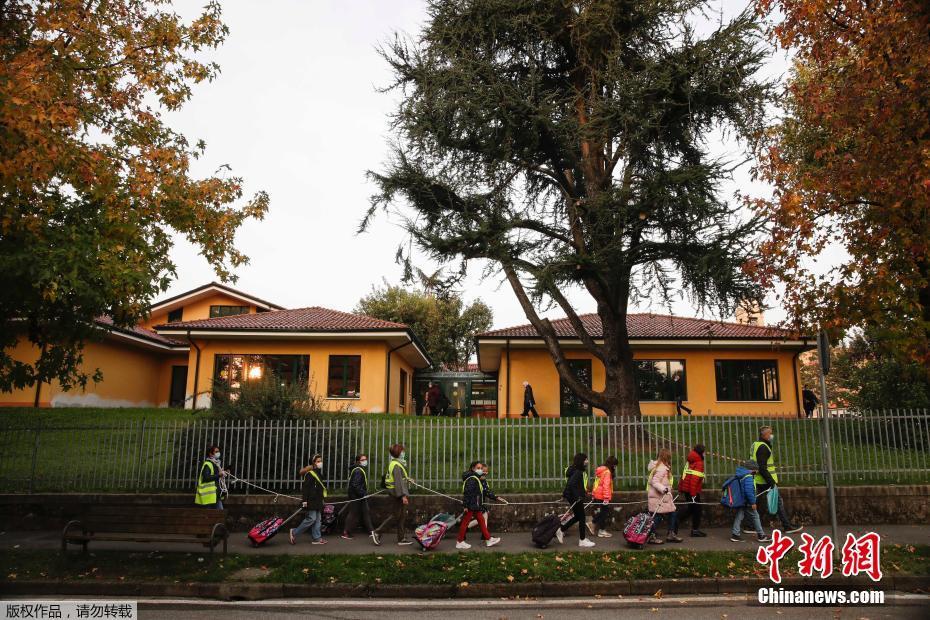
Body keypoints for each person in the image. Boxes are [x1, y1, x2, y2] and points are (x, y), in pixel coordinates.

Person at [751, 426, 803, 533]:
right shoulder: (763, 447)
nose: (771, 436)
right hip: (766, 480)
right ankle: (787, 526)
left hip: (759, 480)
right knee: (778, 502)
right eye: (770, 433)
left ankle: (750, 526)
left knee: (758, 503)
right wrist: (771, 482)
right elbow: (762, 467)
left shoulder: (756, 444)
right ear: (764, 435)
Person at [456, 462, 502, 549]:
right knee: (465, 523)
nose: (481, 470)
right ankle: (459, 541)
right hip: (471, 505)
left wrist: (495, 497)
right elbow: (467, 493)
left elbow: (481, 492)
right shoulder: (472, 479)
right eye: (478, 468)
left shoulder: (476, 478)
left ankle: (488, 539)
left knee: (481, 521)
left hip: (475, 505)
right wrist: (465, 506)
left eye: (481, 468)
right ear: (473, 469)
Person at [555, 453, 595, 547]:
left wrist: (564, 495)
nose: (587, 461)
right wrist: (577, 496)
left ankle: (561, 530)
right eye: (586, 459)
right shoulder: (578, 472)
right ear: (581, 461)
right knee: (582, 517)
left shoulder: (574, 469)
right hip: (575, 498)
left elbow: (570, 483)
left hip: (573, 497)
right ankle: (582, 540)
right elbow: (572, 485)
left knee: (578, 516)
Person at [342, 453, 381, 545]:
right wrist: (363, 494)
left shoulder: (358, 469)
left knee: (365, 511)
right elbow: (355, 485)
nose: (365, 461)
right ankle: (346, 532)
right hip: (356, 496)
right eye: (363, 460)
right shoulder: (358, 471)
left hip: (358, 495)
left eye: (365, 459)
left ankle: (371, 531)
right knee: (353, 512)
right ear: (358, 461)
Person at [290, 454, 327, 545]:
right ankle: (294, 532)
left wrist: (322, 499)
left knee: (318, 520)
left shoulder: (319, 473)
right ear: (313, 463)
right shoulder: (310, 473)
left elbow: (319, 488)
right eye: (318, 461)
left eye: (321, 461)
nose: (320, 463)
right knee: (311, 519)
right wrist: (305, 500)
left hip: (318, 500)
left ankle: (317, 538)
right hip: (311, 500)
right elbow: (306, 488)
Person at [730, 459, 771, 543]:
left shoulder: (741, 474)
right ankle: (761, 535)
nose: (757, 471)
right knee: (755, 516)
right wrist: (753, 502)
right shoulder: (748, 476)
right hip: (748, 501)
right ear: (752, 469)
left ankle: (735, 534)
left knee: (739, 515)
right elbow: (748, 491)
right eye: (756, 469)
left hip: (742, 500)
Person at [646, 448, 681, 544]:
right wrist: (664, 489)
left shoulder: (658, 467)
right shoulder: (662, 468)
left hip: (661, 498)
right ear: (666, 458)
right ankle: (652, 536)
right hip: (659, 497)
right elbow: (655, 481)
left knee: (671, 513)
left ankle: (670, 533)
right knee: (657, 517)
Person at [674, 444, 707, 537]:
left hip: (686, 489)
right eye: (704, 452)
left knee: (691, 509)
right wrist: (693, 494)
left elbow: (684, 475)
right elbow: (694, 480)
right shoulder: (699, 463)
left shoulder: (690, 461)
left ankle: (677, 519)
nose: (705, 453)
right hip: (693, 490)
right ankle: (695, 530)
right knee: (697, 510)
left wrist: (680, 488)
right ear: (701, 452)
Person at [385, 443, 414, 545]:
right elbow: (398, 482)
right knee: (396, 516)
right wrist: (403, 496)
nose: (403, 453)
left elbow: (400, 478)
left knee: (401, 516)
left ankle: (401, 539)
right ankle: (377, 532)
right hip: (397, 494)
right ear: (399, 453)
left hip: (396, 493)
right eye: (402, 451)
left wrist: (407, 479)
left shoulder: (395, 463)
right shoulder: (396, 465)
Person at [588, 455, 618, 538]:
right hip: (602, 496)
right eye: (615, 465)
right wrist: (606, 498)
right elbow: (606, 486)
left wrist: (594, 494)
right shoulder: (607, 472)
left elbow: (596, 483)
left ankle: (600, 529)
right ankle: (595, 525)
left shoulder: (601, 471)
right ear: (612, 464)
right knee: (604, 513)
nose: (615, 467)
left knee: (603, 512)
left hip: (598, 494)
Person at [194, 445, 227, 509]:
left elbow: (216, 477)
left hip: (215, 495)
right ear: (210, 454)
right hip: (208, 496)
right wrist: (219, 475)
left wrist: (222, 473)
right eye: (216, 451)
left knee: (219, 513)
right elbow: (206, 478)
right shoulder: (208, 464)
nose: (218, 453)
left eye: (218, 451)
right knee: (209, 515)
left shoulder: (216, 464)